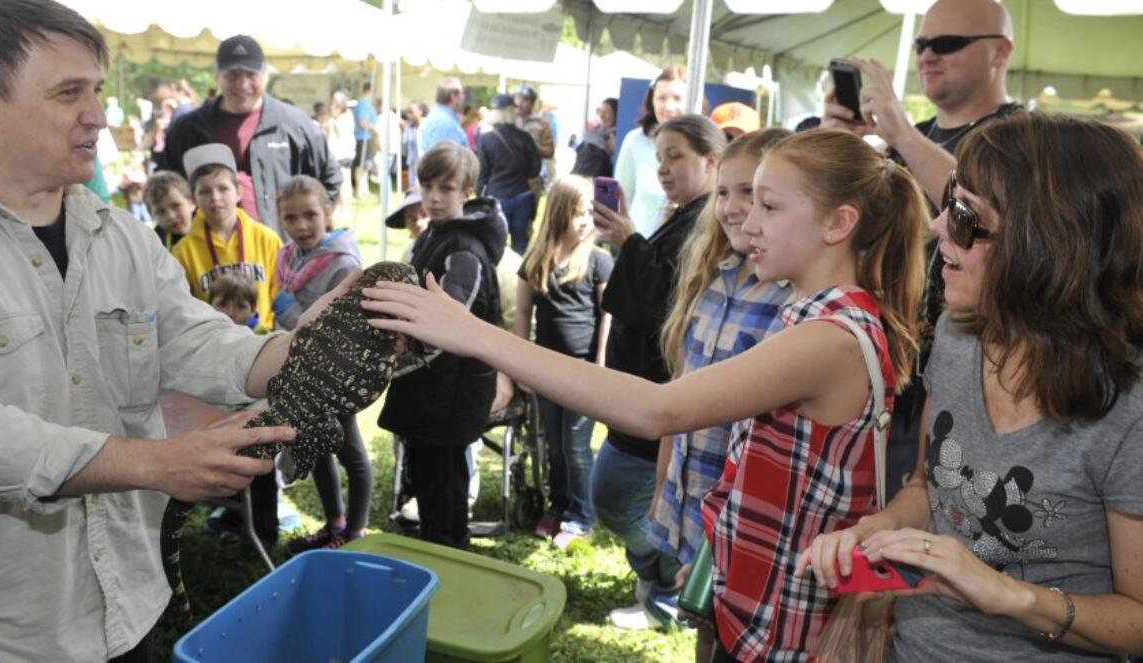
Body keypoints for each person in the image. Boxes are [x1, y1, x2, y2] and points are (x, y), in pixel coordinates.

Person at [365, 126, 929, 659]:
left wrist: (474, 334)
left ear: (839, 223)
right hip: (759, 598)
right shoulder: (811, 316)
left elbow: (656, 409)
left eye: (769, 206)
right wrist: (718, 560)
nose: (747, 222)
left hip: (792, 621)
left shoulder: (829, 339)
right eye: (748, 201)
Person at [0, 2, 353, 660]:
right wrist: (158, 465)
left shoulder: (116, 232)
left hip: (128, 599)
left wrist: (307, 348)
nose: (97, 113)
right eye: (70, 93)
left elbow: (196, 339)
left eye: (97, 89)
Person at [801, 113, 1143, 661]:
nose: (937, 228)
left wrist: (1009, 596)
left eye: (963, 217)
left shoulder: (1129, 409)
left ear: (1048, 244)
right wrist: (876, 531)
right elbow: (927, 489)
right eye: (948, 206)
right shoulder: (962, 339)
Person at [823, 0, 1020, 501]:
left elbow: (999, 219)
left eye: (948, 43)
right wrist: (838, 147)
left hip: (965, 386)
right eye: (922, 44)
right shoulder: (913, 142)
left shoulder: (1024, 140)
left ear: (1001, 52)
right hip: (882, 372)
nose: (929, 56)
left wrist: (902, 134)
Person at [648, 128, 794, 661]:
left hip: (741, 518)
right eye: (725, 192)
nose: (734, 208)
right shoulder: (716, 279)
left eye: (751, 194)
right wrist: (664, 477)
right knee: (702, 624)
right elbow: (680, 393)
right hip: (693, 494)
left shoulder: (793, 301)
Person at [584, 114, 726, 630]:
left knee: (618, 495)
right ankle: (662, 583)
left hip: (659, 393)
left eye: (676, 156)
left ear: (711, 161)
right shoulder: (690, 213)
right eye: (659, 156)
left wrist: (628, 240)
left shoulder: (709, 221)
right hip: (646, 389)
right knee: (626, 495)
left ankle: (667, 583)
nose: (663, 167)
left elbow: (663, 300)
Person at [376, 142, 506, 550]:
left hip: (452, 395)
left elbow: (444, 328)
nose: (433, 197)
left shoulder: (465, 250)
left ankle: (452, 572)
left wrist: (391, 365)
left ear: (466, 191)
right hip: (426, 391)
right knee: (428, 487)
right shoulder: (433, 234)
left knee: (447, 501)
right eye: (427, 185)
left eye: (446, 188)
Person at [268, 175, 372, 553]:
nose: (301, 225)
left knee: (351, 453)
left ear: (328, 211)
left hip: (336, 375)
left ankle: (356, 533)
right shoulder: (289, 257)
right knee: (317, 446)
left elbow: (330, 328)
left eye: (310, 215)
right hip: (302, 374)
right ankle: (335, 524)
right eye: (290, 218)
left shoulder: (343, 263)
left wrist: (288, 309)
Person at [158, 34, 343, 238]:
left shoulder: (296, 125)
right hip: (208, 257)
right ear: (217, 77)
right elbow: (165, 185)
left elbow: (330, 177)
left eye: (250, 75)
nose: (242, 84)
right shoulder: (189, 129)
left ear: (265, 76)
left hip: (281, 256)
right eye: (232, 75)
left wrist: (309, 227)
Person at [514, 174, 613, 548]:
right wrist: (519, 362)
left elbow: (608, 315)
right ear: (558, 215)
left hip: (583, 372)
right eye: (578, 213)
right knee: (552, 444)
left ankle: (581, 515)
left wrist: (602, 361)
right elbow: (522, 314)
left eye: (590, 212)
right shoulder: (536, 261)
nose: (585, 220)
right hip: (545, 371)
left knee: (575, 445)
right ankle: (558, 504)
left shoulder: (599, 261)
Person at [172, 143, 282, 333]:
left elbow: (281, 295)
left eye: (223, 188)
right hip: (214, 345)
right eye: (205, 191)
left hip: (263, 340)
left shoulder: (267, 239)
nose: (214, 197)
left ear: (238, 192)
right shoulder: (182, 252)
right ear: (194, 199)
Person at [615, 66, 687, 238]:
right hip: (638, 247)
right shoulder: (635, 141)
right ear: (651, 101)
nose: (669, 106)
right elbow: (621, 198)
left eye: (677, 98)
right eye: (661, 98)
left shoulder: (701, 146)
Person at [477, 94, 541, 255]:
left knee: (496, 247)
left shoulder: (486, 139)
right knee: (520, 247)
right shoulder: (525, 137)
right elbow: (535, 170)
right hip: (522, 196)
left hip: (497, 198)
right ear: (512, 111)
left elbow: (482, 175)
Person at [144, 170, 194, 251]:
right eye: (161, 211)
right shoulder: (155, 246)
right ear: (152, 215)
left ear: (191, 202)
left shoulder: (212, 227)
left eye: (176, 206)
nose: (170, 216)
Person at [572, 97, 618, 178]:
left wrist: (606, 134)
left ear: (616, 115)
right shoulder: (595, 131)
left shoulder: (616, 134)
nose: (601, 115)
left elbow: (614, 150)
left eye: (606, 112)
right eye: (600, 111)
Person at [420, 76, 468, 151]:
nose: (463, 97)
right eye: (462, 93)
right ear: (453, 96)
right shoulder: (445, 123)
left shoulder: (437, 116)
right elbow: (441, 159)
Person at [353, 82, 378, 200]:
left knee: (365, 165)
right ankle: (360, 190)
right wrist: (376, 129)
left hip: (366, 137)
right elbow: (363, 122)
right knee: (361, 164)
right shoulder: (363, 104)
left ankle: (365, 190)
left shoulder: (365, 103)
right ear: (369, 91)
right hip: (362, 137)